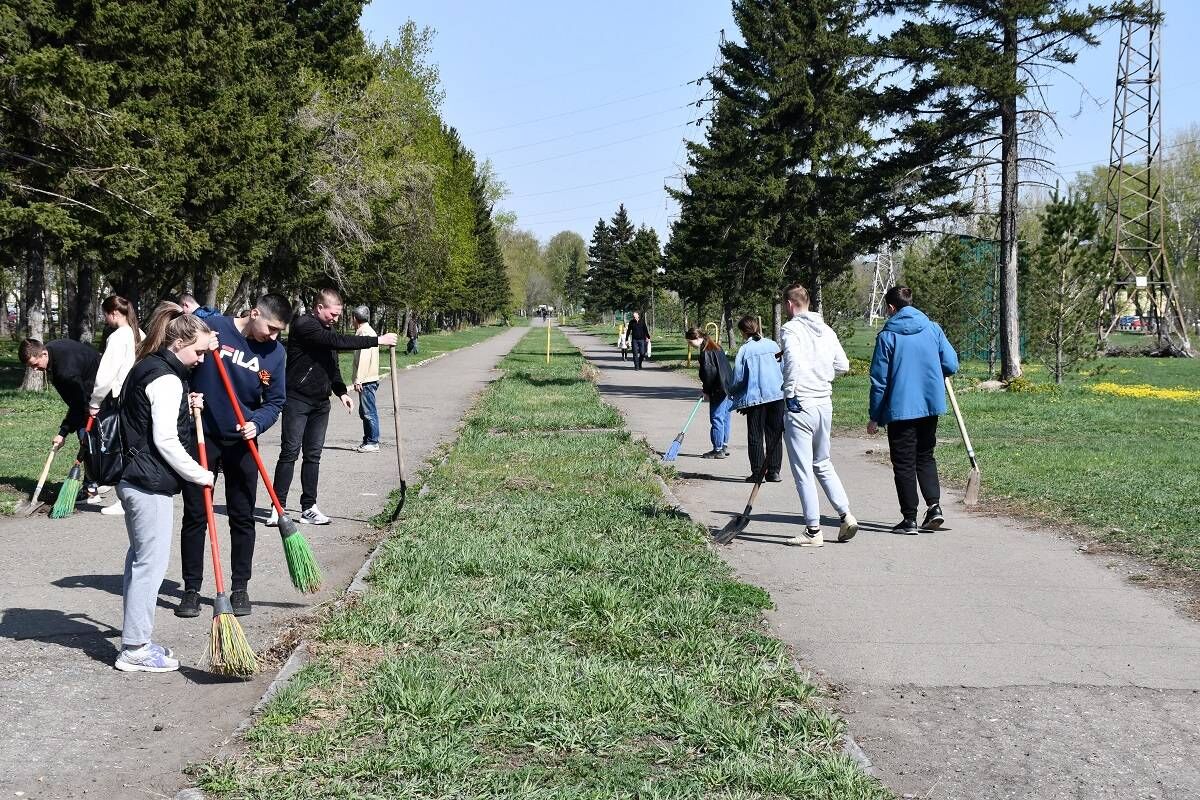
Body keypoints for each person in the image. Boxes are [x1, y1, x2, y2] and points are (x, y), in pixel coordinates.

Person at [113, 303, 216, 672]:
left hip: (134, 479)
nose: (202, 359)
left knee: (138, 561)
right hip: (148, 482)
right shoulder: (167, 378)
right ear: (179, 343)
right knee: (149, 566)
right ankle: (135, 648)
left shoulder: (149, 367)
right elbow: (167, 440)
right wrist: (200, 474)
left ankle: (135, 639)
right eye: (199, 351)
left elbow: (148, 414)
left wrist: (184, 406)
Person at [176, 293, 290, 619]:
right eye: (270, 328)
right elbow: (181, 362)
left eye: (279, 331)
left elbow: (275, 401)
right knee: (196, 514)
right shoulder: (213, 329)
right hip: (203, 436)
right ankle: (191, 589)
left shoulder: (276, 354)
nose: (273, 336)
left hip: (242, 442)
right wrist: (187, 396)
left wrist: (258, 423)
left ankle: (240, 586)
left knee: (242, 517)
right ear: (254, 313)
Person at [272, 288, 398, 526]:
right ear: (319, 308)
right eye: (333, 314)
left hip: (321, 403)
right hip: (297, 399)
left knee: (313, 455)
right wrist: (377, 340)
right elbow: (336, 342)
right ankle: (277, 507)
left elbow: (332, 364)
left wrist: (341, 391)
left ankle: (309, 507)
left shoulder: (327, 329)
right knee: (290, 452)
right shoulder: (303, 325)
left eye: (339, 315)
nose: (336, 319)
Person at [868, 286, 959, 535]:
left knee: (904, 463)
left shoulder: (887, 336)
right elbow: (951, 363)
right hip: (929, 406)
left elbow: (879, 380)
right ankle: (934, 507)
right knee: (925, 456)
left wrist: (874, 415)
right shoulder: (932, 328)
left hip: (900, 410)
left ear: (891, 308)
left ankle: (909, 519)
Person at [778, 284, 857, 548]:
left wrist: (790, 393)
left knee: (803, 469)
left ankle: (813, 531)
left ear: (790, 305)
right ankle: (846, 515)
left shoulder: (790, 329)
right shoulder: (826, 330)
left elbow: (792, 362)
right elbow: (843, 365)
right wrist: (823, 373)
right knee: (822, 462)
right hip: (824, 403)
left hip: (801, 403)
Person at [20, 336, 104, 498]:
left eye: (35, 365)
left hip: (99, 393)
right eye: (31, 367)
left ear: (43, 354)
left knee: (88, 439)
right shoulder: (52, 349)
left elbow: (78, 404)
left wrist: (63, 432)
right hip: (88, 390)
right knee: (88, 439)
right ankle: (97, 480)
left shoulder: (65, 372)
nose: (35, 370)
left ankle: (92, 488)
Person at [87, 295, 146, 516]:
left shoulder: (118, 336)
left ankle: (124, 499)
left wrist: (95, 401)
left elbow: (106, 375)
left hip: (121, 398)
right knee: (134, 447)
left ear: (113, 313)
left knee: (120, 448)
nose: (105, 319)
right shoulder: (139, 333)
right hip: (140, 397)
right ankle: (133, 495)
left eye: (105, 314)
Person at [727, 316, 785, 482]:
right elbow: (782, 367)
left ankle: (758, 472)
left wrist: (732, 391)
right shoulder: (772, 344)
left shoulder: (745, 350)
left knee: (755, 435)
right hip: (776, 396)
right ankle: (774, 471)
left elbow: (738, 378)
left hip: (756, 398)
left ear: (743, 332)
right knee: (774, 434)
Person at [686, 327, 732, 459]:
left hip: (719, 389)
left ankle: (717, 449)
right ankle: (723, 445)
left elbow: (709, 374)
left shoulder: (705, 352)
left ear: (698, 338)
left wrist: (706, 391)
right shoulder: (715, 346)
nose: (690, 345)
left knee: (716, 417)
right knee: (724, 417)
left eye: (690, 342)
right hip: (728, 386)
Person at [352, 306, 381, 453]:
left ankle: (373, 441)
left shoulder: (364, 332)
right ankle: (367, 439)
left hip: (367, 379)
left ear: (355, 319)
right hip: (369, 377)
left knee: (369, 411)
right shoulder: (368, 331)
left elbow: (364, 358)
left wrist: (359, 379)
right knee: (365, 411)